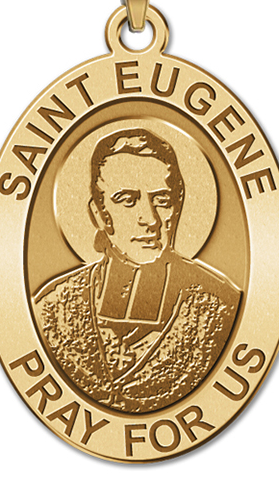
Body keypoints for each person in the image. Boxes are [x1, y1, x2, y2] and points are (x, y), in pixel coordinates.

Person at [32, 128, 241, 413]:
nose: (150, 219)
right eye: (128, 200)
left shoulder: (220, 308)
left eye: (162, 201)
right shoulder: (52, 311)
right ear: (99, 214)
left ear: (177, 208)